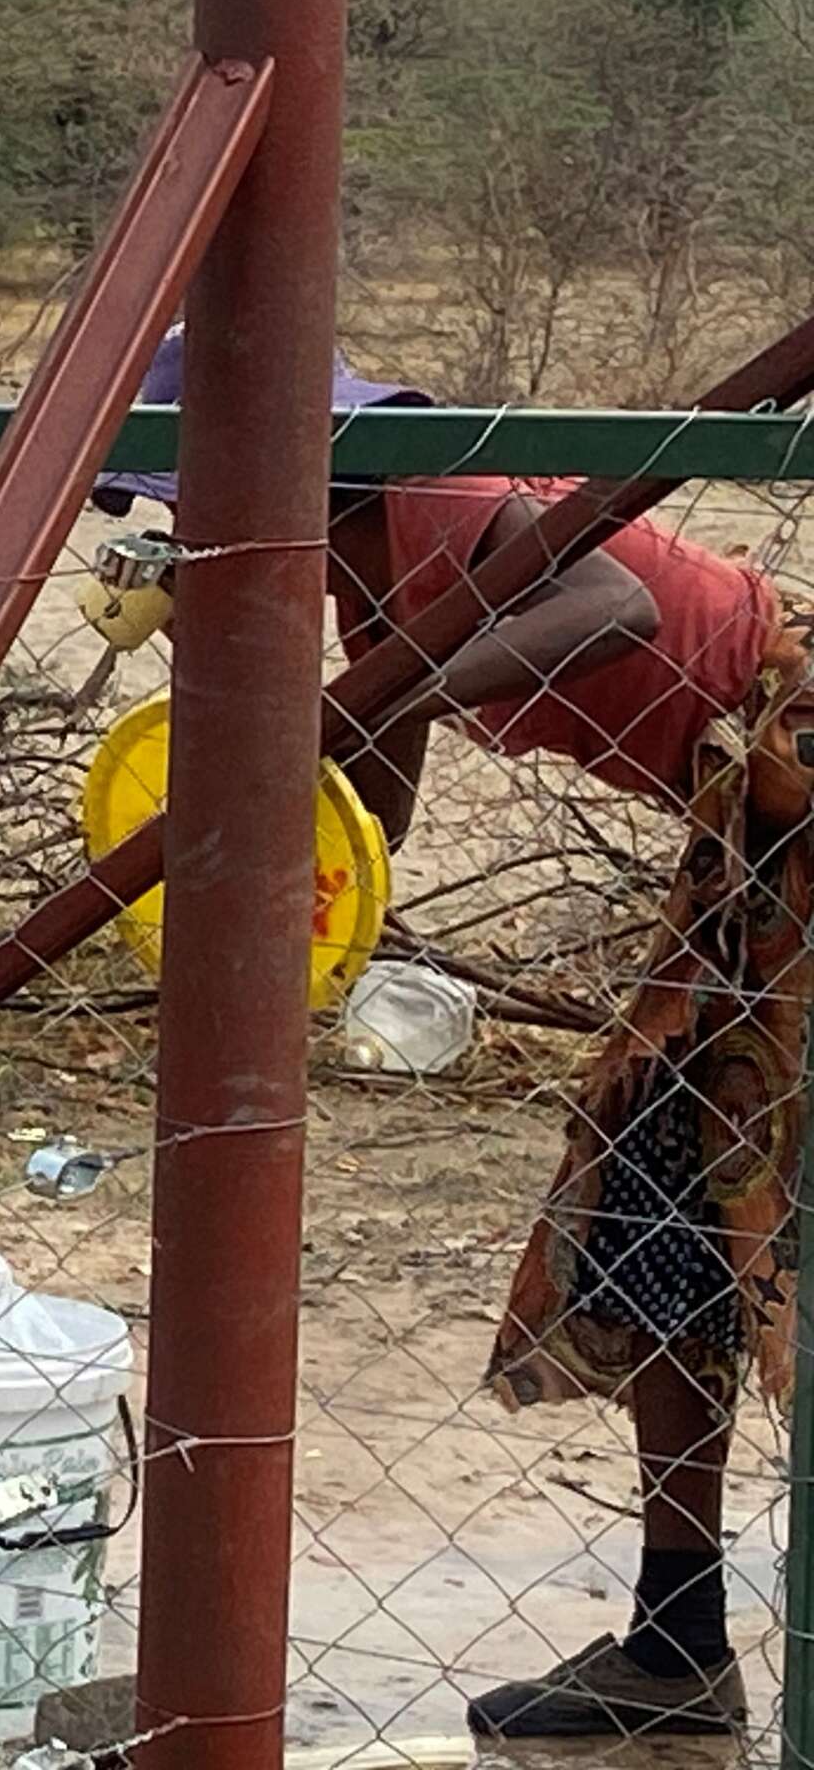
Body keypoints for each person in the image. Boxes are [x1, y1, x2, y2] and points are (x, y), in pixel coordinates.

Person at [99, 329, 803, 1740]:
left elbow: (611, 603)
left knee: (716, 1171)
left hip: (786, 778)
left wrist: (396, 682)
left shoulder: (435, 492)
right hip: (746, 844)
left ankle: (680, 1643)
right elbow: (377, 810)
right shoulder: (361, 586)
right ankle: (677, 1640)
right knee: (656, 1174)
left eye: (189, 515)